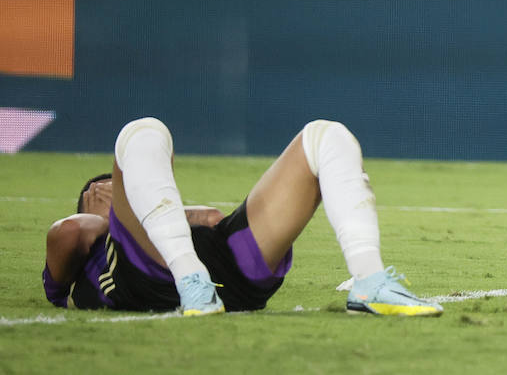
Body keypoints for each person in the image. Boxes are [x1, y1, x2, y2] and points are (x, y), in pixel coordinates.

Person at [42, 116, 442, 316]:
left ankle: (369, 279)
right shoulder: (94, 242)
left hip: (224, 274)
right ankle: (191, 282)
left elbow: (215, 217)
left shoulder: (168, 220)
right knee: (142, 130)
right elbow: (68, 232)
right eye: (97, 192)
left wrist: (175, 214)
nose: (106, 190)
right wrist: (100, 218)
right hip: (155, 276)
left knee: (325, 134)